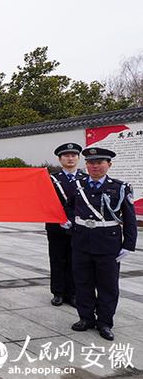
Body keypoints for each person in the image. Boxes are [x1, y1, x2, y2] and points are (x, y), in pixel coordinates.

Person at [65, 147, 137, 341]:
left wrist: (128, 245)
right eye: (91, 162)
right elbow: (69, 207)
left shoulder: (121, 187)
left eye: (99, 162)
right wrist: (71, 222)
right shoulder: (77, 185)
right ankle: (86, 318)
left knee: (108, 285)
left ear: (109, 165)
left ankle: (105, 322)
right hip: (81, 242)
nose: (95, 166)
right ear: (86, 165)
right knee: (82, 283)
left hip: (108, 243)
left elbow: (130, 219)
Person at [47, 143, 85, 307]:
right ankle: (58, 292)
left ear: (78, 158)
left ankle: (74, 293)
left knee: (76, 261)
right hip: (56, 225)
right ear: (60, 159)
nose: (70, 158)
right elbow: (45, 202)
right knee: (57, 258)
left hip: (78, 226)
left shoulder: (85, 179)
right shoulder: (51, 179)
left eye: (73, 155)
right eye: (66, 156)